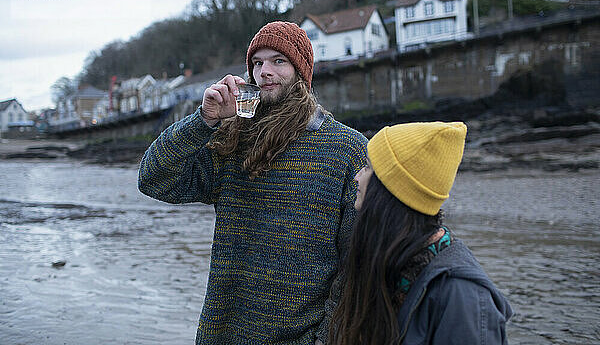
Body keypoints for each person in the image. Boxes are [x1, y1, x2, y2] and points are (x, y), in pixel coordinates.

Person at [138, 21, 368, 344]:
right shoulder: (233, 142)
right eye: (257, 63)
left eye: (278, 61)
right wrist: (203, 121)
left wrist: (324, 339)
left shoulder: (346, 149)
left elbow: (358, 267)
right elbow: (153, 179)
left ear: (301, 72)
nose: (264, 72)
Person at [329, 122, 513, 345]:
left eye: (367, 167)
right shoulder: (391, 263)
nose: (357, 177)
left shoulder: (463, 297)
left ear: (391, 189)